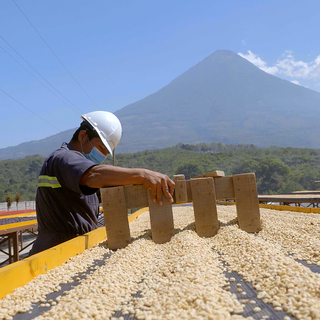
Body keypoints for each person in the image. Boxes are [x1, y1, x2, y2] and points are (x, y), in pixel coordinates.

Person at [29, 111, 175, 255]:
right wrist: (142, 175)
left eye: (105, 153)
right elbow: (94, 174)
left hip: (75, 248)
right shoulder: (63, 158)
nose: (101, 157)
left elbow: (107, 186)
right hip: (53, 251)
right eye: (100, 148)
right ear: (82, 136)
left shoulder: (83, 174)